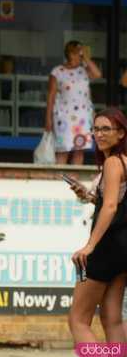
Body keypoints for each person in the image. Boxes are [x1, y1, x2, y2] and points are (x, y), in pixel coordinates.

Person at [68, 108, 127, 346]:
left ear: (121, 133)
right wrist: (92, 197)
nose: (99, 134)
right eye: (96, 128)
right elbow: (117, 204)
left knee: (78, 320)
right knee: (111, 319)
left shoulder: (113, 162)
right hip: (123, 248)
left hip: (107, 247)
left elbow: (111, 207)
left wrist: (90, 245)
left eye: (106, 129)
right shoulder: (124, 162)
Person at [45, 40, 102, 165]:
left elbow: (98, 74)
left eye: (80, 53)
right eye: (76, 53)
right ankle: (60, 182)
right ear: (69, 54)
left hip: (82, 117)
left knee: (79, 150)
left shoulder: (84, 70)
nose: (79, 55)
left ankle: (74, 182)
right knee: (62, 150)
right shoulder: (57, 71)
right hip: (63, 117)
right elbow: (51, 96)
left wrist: (86, 58)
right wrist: (48, 119)